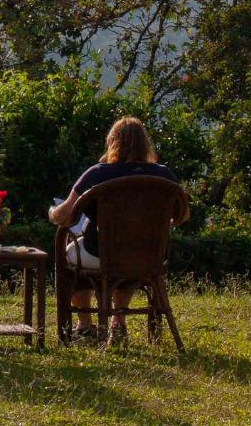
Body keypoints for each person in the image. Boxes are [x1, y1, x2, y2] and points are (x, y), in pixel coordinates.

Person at [47, 116, 180, 330]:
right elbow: (183, 215)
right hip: (148, 255)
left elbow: (66, 216)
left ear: (112, 142)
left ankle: (86, 325)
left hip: (101, 253)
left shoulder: (98, 173)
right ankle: (118, 321)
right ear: (145, 143)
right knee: (128, 258)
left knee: (71, 255)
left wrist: (53, 212)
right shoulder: (164, 175)